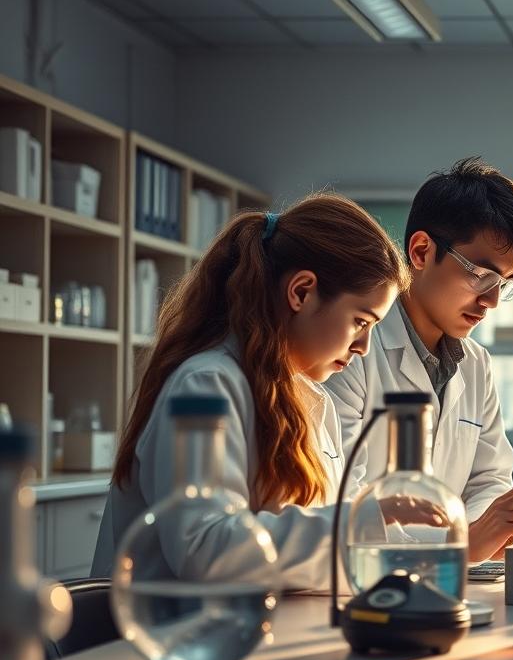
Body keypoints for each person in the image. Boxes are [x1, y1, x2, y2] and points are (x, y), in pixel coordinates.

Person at [92, 193, 427, 590]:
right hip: (179, 626)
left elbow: (317, 537)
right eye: (360, 321)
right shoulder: (206, 384)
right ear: (301, 292)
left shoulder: (306, 398)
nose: (364, 347)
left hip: (276, 619)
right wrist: (364, 519)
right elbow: (205, 549)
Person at [325, 157, 513, 562]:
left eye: (506, 284)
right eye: (482, 276)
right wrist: (460, 544)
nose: (492, 301)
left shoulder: (476, 363)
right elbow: (340, 498)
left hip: (449, 574)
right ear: (421, 251)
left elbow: (488, 478)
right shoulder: (351, 350)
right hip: (368, 578)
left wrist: (490, 530)